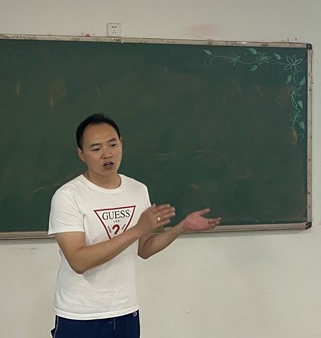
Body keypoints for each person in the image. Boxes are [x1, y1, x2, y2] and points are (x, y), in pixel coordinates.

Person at [48, 113, 221, 338]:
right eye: (96, 148)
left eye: (112, 144)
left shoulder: (137, 190)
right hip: (80, 314)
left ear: (121, 144)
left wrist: (181, 227)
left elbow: (144, 248)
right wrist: (137, 230)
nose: (107, 154)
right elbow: (79, 261)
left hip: (125, 310)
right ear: (81, 154)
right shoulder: (68, 196)